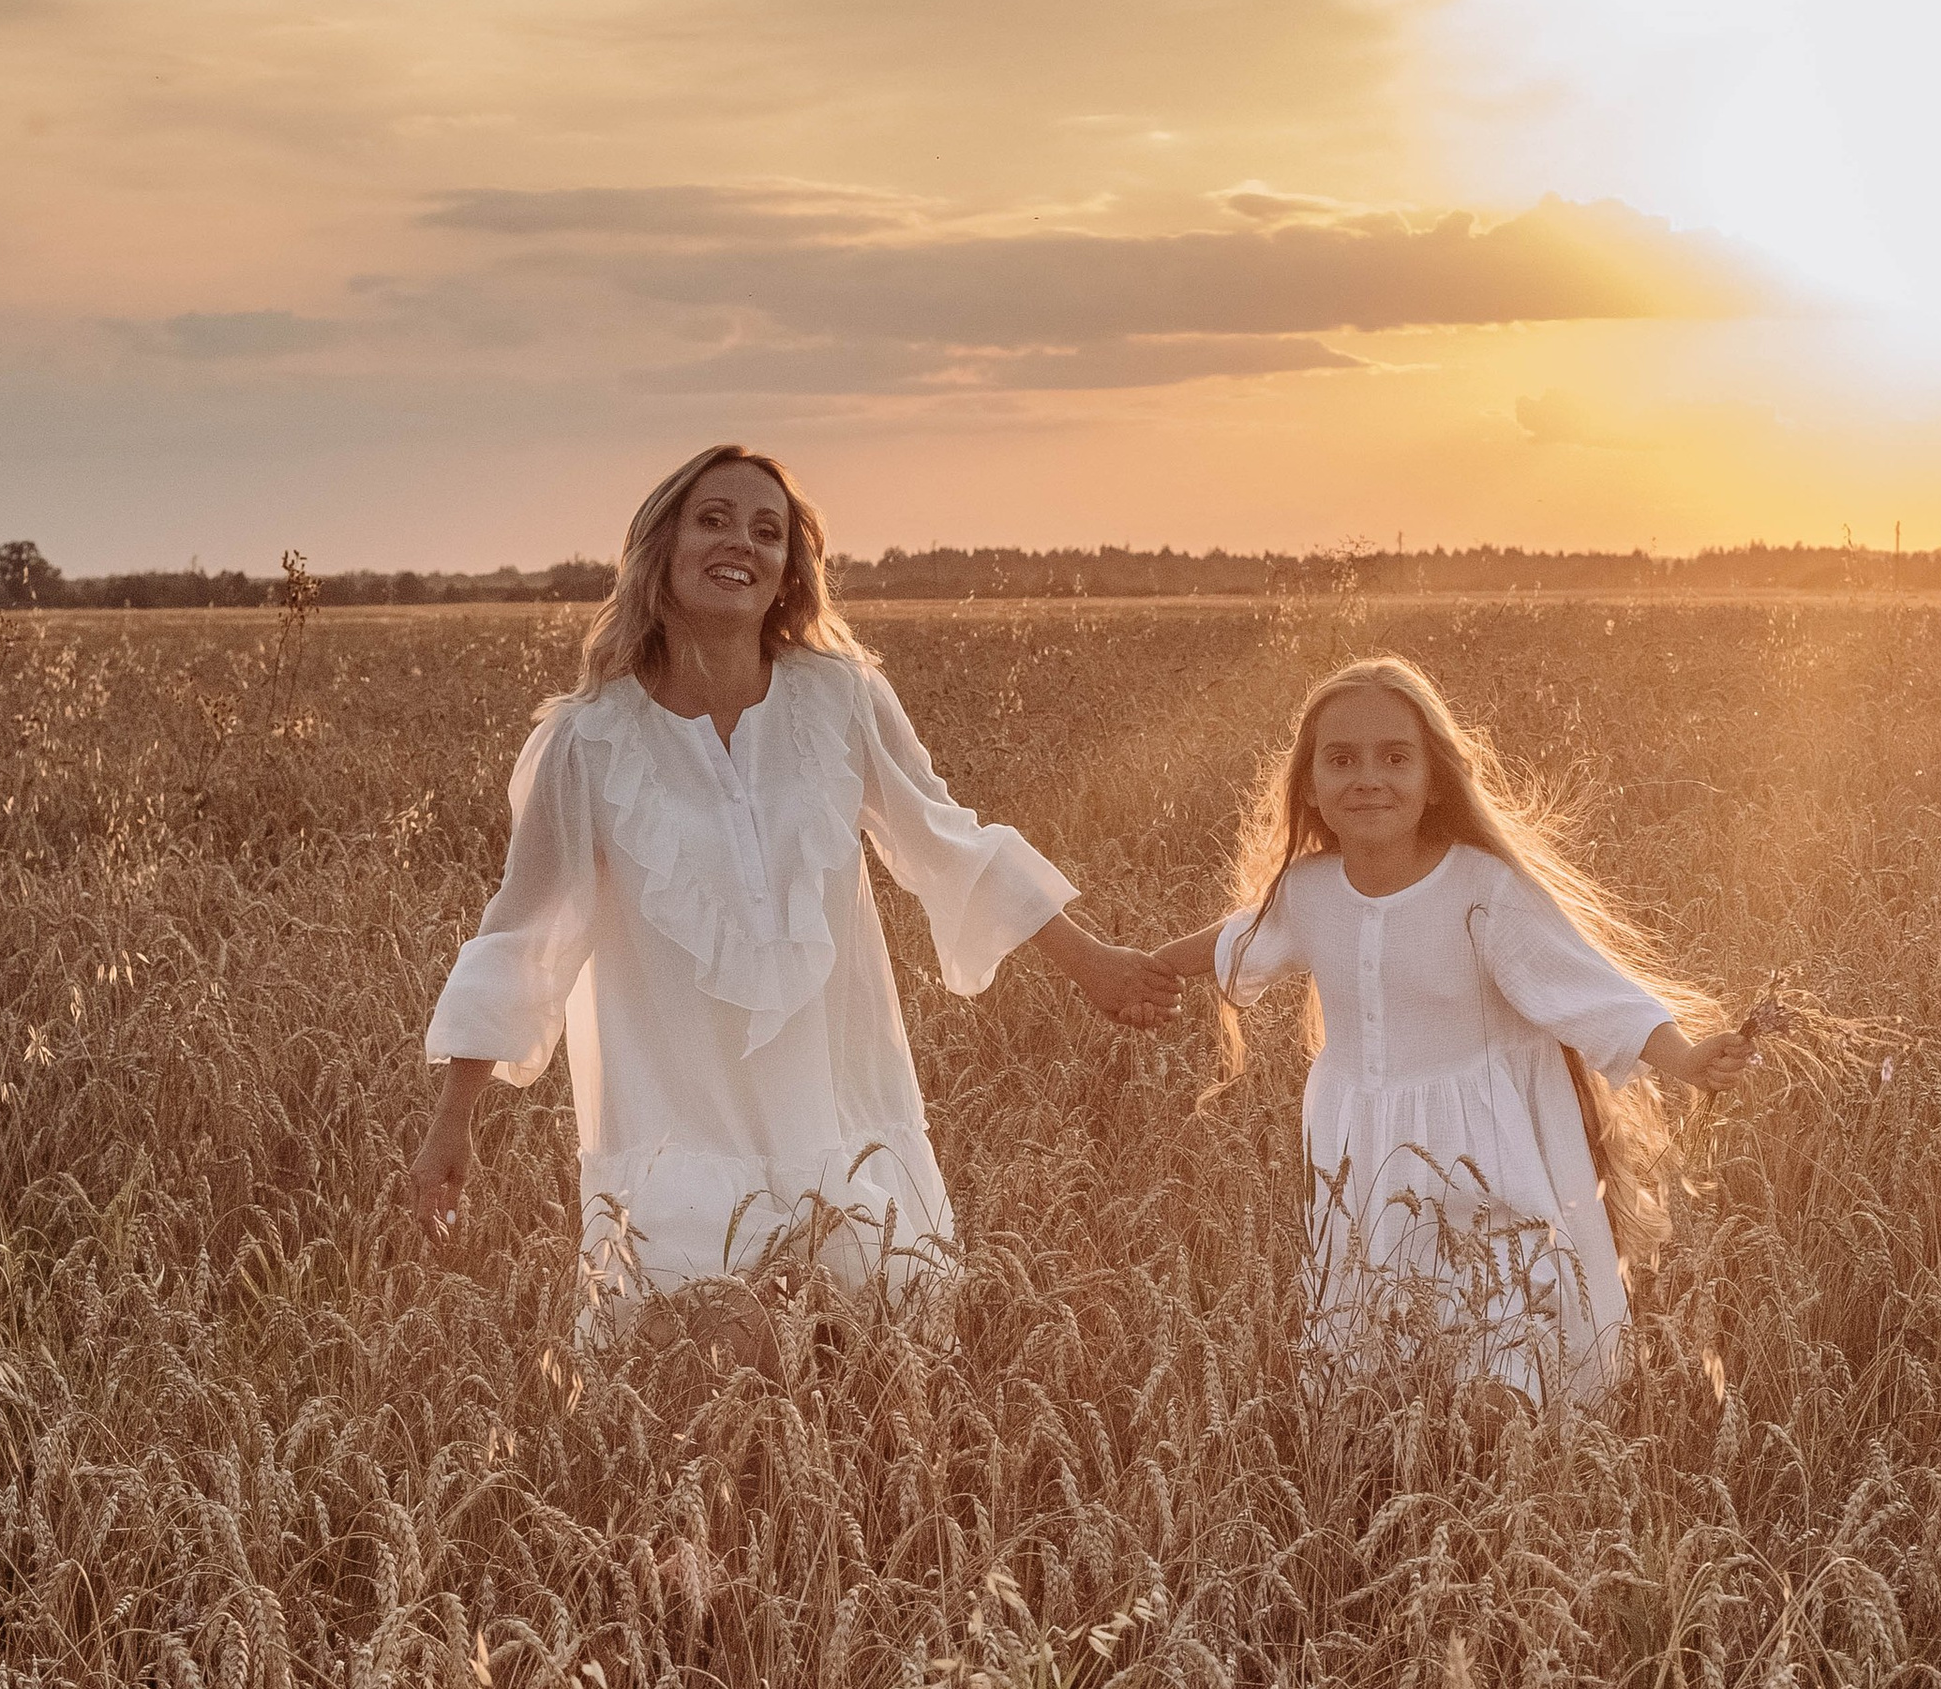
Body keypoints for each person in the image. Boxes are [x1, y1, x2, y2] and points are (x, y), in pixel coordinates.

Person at [410, 443, 1175, 1321]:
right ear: (660, 546)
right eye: (714, 519)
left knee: (882, 1369)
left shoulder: (840, 700)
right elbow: (522, 934)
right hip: (676, 1116)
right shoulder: (589, 743)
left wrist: (1095, 965)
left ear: (787, 574)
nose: (742, 541)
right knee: (694, 1390)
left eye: (767, 530)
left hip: (839, 1108)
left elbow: (945, 839)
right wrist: (452, 1118)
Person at [1148, 655, 1753, 1402]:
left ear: (1435, 778)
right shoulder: (1307, 893)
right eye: (1341, 759)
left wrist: (1685, 1056)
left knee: (1504, 1344)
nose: (1368, 777)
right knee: (1380, 1330)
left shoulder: (1479, 888)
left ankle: (1523, 1477)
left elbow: (1588, 987)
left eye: (1395, 757)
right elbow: (1230, 944)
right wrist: (1139, 972)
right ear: (1309, 785)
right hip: (1362, 1153)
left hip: (1490, 1145)